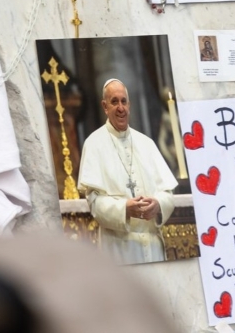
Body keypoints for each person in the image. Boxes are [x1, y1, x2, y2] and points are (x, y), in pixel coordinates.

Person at [76, 80, 179, 264]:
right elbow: (94, 202)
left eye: (124, 101)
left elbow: (168, 194)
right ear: (105, 106)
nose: (121, 108)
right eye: (114, 102)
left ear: (129, 105)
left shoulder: (146, 143)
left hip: (153, 247)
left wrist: (158, 205)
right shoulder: (94, 144)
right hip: (118, 249)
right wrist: (125, 209)